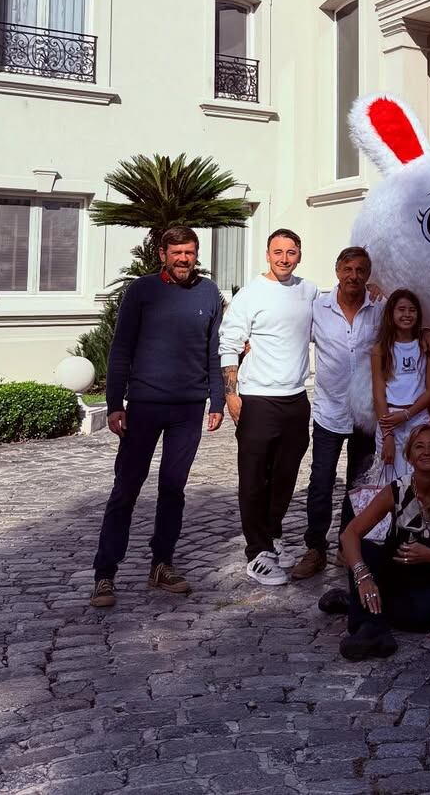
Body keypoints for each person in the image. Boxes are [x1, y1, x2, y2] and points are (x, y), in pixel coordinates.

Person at [91, 226, 224, 608]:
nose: (184, 259)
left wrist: (217, 401)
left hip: (188, 409)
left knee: (173, 489)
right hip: (145, 406)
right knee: (126, 489)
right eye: (177, 252)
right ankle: (105, 574)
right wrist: (115, 403)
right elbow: (120, 350)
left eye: (190, 252)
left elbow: (213, 351)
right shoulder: (142, 291)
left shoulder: (208, 293)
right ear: (163, 254)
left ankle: (161, 564)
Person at [220, 228, 317, 587]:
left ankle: (273, 536)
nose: (284, 258)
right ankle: (256, 552)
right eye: (278, 251)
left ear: (299, 255)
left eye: (291, 252)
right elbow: (229, 343)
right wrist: (231, 394)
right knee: (253, 477)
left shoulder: (309, 292)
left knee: (285, 475)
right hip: (257, 398)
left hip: (295, 398)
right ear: (267, 254)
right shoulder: (251, 293)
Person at [337, 425, 430, 661]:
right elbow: (350, 534)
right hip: (395, 572)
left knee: (421, 618)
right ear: (409, 456)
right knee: (363, 551)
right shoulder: (397, 489)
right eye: (419, 447)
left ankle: (358, 607)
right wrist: (363, 577)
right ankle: (370, 629)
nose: (427, 452)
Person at [292, 247, 384, 580]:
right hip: (329, 411)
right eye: (348, 268)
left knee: (359, 484)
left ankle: (348, 545)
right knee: (321, 481)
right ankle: (315, 547)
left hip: (365, 413)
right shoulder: (318, 308)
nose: (354, 276)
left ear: (367, 275)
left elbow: (407, 325)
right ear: (337, 270)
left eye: (361, 270)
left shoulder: (379, 309)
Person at [370, 288, 430, 478]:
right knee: (390, 482)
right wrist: (388, 435)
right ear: (391, 313)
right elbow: (378, 394)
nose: (407, 314)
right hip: (389, 419)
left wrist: (407, 414)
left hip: (417, 418)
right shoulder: (380, 349)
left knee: (420, 478)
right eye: (401, 309)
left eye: (412, 310)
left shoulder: (425, 345)